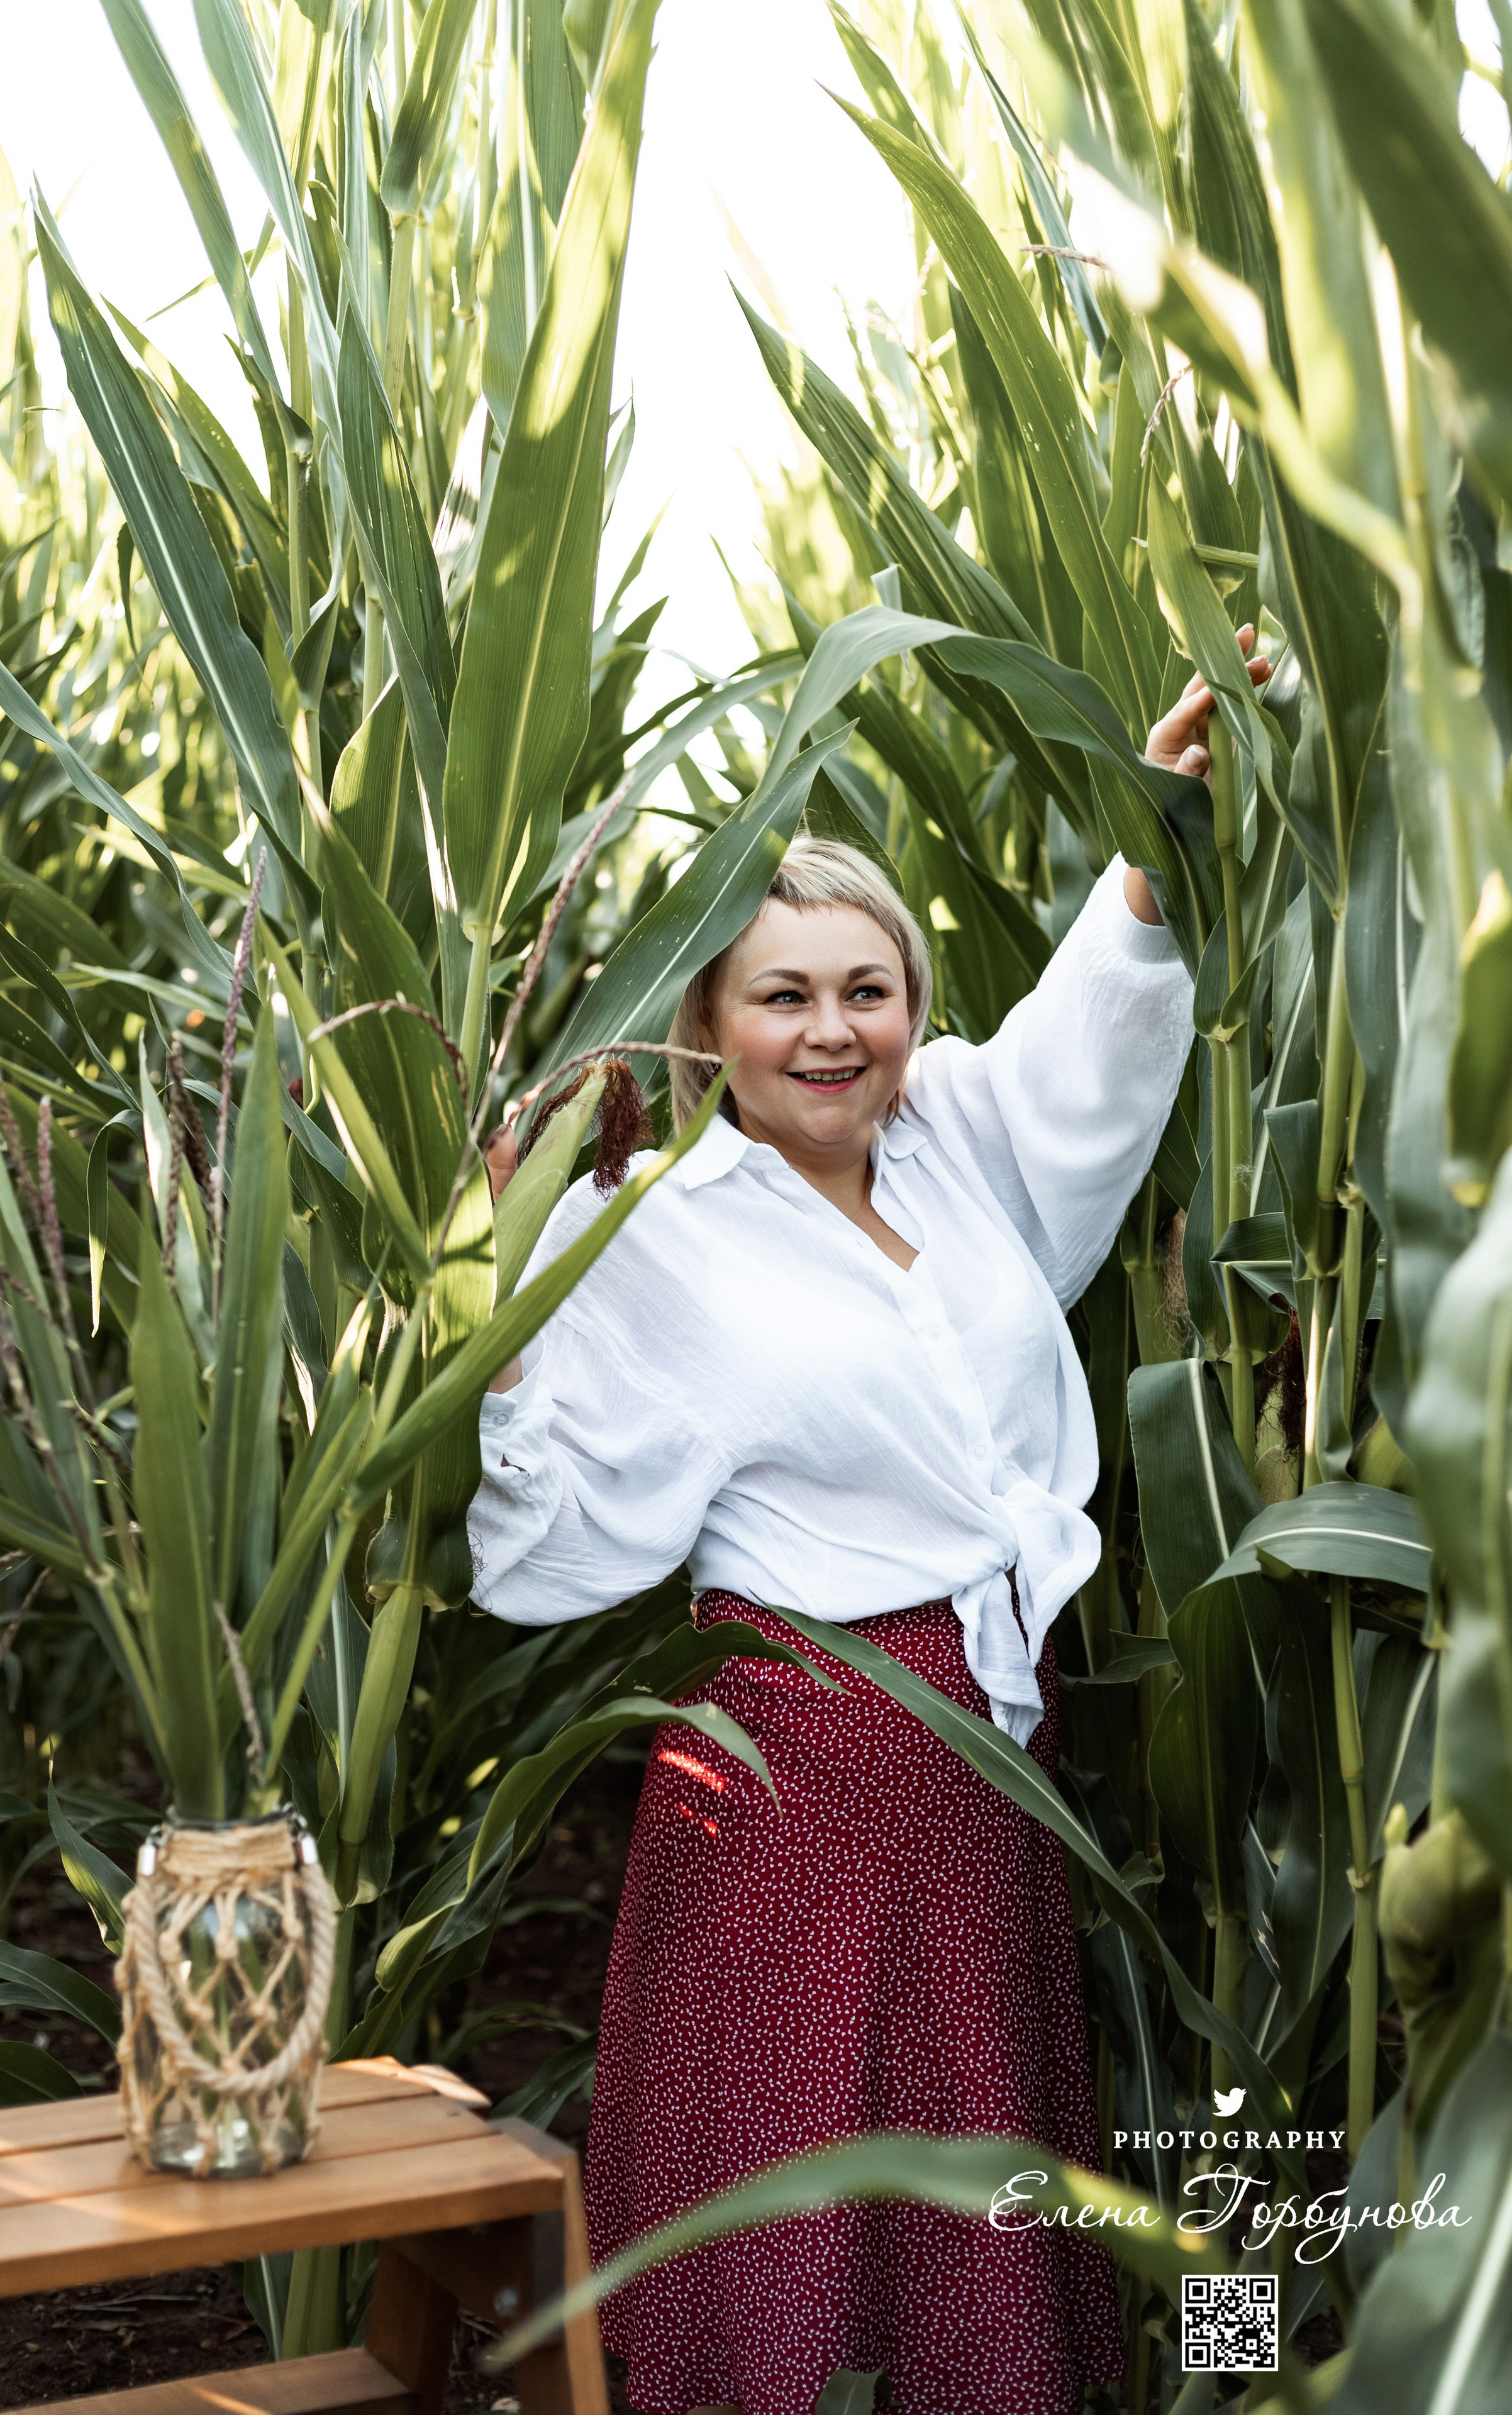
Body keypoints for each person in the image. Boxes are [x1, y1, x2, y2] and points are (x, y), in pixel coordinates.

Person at [470, 646, 1266, 2415]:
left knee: (969, 2170)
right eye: (781, 996)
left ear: (914, 1001)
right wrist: (511, 1281)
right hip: (793, 1758)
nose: (832, 1031)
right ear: (708, 1024)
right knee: (777, 2175)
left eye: (868, 987)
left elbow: (1084, 1052)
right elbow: (547, 1512)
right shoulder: (652, 1228)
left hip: (983, 1753)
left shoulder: (958, 1140)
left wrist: (1155, 837)